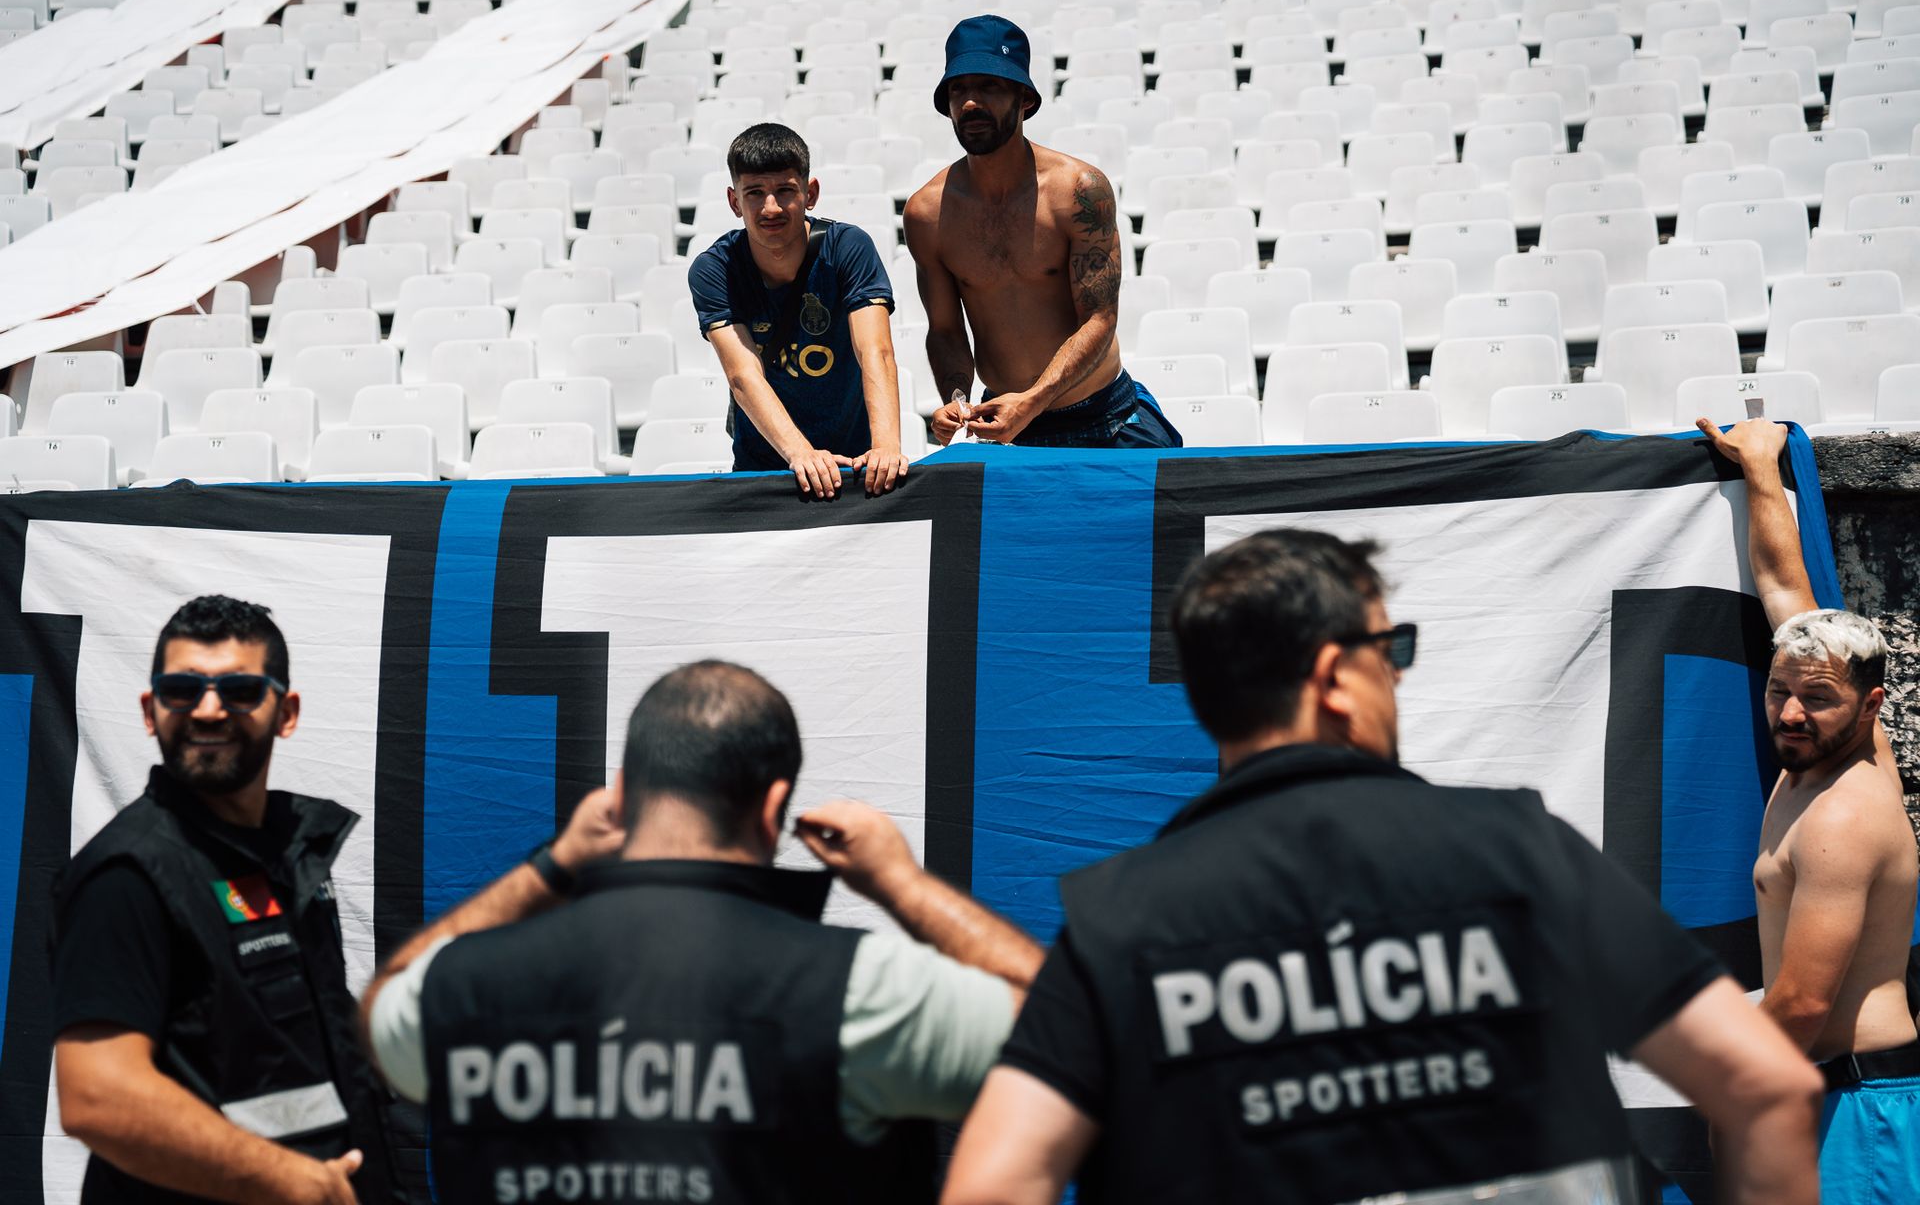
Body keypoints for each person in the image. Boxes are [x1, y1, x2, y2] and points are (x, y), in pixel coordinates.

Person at [942, 529, 1825, 1205]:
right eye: (1388, 650)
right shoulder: (1516, 850)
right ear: (1333, 678)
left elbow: (991, 1186)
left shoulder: (1117, 919)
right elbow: (1764, 1081)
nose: (1396, 679)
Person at [361, 660, 1042, 1204]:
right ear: (775, 806)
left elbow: (383, 1003)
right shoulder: (862, 992)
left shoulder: (466, 987)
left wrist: (555, 863)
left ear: (621, 796)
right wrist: (901, 883)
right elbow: (1069, 1033)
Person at [50, 595, 401, 1204]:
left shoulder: (289, 853)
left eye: (239, 690)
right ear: (149, 709)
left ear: (285, 712)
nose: (208, 710)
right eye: (182, 689)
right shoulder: (127, 874)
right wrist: (288, 1180)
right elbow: (97, 1100)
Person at [1697, 416, 1920, 1204]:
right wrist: (1760, 464)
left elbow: (1803, 1000)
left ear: (1871, 707)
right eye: (1778, 690)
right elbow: (1787, 591)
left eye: (1816, 700)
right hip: (1829, 1093)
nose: (1790, 714)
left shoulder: (1842, 817)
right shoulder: (1823, 757)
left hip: (1857, 1106)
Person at [904, 15, 1181, 450]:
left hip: (1104, 416)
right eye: (959, 89)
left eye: (989, 86)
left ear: (1026, 100)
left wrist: (1033, 401)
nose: (971, 103)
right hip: (1006, 426)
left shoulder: (1079, 191)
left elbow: (1099, 318)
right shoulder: (927, 212)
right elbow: (945, 331)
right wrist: (956, 401)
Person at [689, 122, 910, 499]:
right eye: (755, 193)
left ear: (810, 193)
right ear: (733, 201)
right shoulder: (714, 269)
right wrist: (801, 455)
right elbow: (743, 375)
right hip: (766, 466)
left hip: (857, 464)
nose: (770, 207)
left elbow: (875, 350)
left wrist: (887, 447)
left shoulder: (848, 248)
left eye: (785, 191)